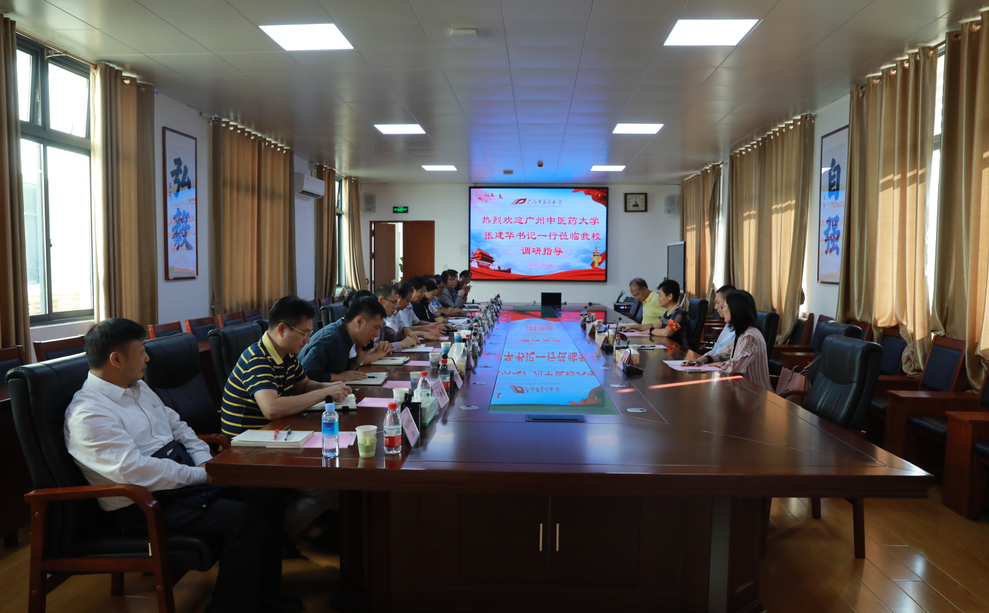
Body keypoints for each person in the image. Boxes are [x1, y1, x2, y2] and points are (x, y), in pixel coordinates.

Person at [65, 318, 300, 613]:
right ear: (116, 359)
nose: (148, 358)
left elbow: (179, 426)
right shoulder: (89, 413)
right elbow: (134, 471)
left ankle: (265, 595)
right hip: (144, 503)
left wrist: (205, 462)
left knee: (266, 492)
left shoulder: (136, 387)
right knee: (243, 519)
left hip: (180, 481)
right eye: (142, 351)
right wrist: (201, 476)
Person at [688, 289, 772, 392]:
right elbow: (723, 354)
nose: (721, 309)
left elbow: (735, 366)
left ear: (735, 309)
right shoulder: (741, 333)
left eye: (723, 306)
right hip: (741, 390)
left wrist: (718, 364)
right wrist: (704, 359)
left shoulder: (750, 336)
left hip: (755, 394)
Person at [299, 295, 392, 383]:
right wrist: (339, 377)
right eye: (375, 327)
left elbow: (341, 370)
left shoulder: (346, 335)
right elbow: (306, 375)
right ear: (359, 321)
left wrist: (358, 360)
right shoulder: (330, 340)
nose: (377, 334)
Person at [644, 279, 690, 346]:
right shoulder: (668, 312)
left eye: (660, 295)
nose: (658, 298)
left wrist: (651, 331)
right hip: (669, 347)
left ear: (670, 296)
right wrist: (632, 327)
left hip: (680, 350)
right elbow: (654, 325)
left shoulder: (679, 313)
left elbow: (667, 332)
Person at [374, 284, 419, 349]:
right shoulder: (370, 320)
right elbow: (371, 348)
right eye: (393, 302)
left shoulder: (381, 320)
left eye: (396, 303)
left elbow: (391, 336)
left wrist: (404, 331)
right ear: (381, 300)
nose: (395, 307)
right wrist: (400, 344)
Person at [709, 285, 737, 354]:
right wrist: (705, 357)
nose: (716, 307)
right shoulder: (728, 324)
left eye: (718, 303)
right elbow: (716, 348)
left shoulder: (744, 333)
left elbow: (726, 355)